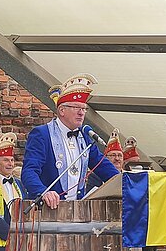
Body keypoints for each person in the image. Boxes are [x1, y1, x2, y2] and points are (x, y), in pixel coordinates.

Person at [21, 74, 118, 208]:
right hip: (47, 211)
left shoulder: (84, 136)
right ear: (62, 110)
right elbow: (29, 171)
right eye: (76, 108)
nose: (81, 113)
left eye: (84, 109)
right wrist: (43, 192)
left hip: (77, 212)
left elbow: (103, 166)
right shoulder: (42, 134)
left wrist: (124, 183)